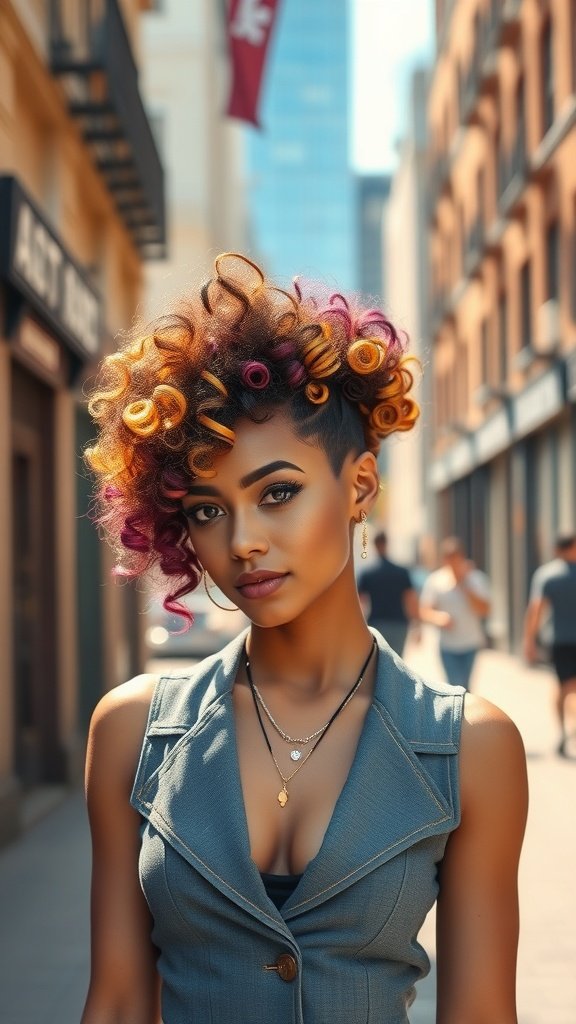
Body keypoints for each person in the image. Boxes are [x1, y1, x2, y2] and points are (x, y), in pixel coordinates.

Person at [81, 253, 527, 1024]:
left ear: (359, 487)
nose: (243, 541)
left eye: (277, 493)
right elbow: (119, 1003)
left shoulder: (469, 746)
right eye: (208, 510)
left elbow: (483, 1014)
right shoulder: (132, 730)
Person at [524, 533, 576, 756]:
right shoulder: (549, 576)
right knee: (566, 686)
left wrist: (529, 640)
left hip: (560, 640)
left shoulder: (546, 574)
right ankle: (565, 730)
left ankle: (564, 730)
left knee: (564, 686)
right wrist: (529, 640)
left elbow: (535, 610)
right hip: (561, 640)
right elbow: (537, 609)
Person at [419, 537, 491, 690]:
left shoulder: (475, 579)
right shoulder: (435, 580)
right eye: (449, 559)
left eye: (456, 559)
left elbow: (485, 609)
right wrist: (438, 618)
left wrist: (464, 585)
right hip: (447, 645)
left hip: (471, 642)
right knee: (455, 685)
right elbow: (424, 610)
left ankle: (465, 713)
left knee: (465, 686)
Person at [358, 531, 419, 656]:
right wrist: (417, 625)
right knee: (397, 662)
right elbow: (411, 599)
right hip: (399, 624)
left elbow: (360, 603)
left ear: (374, 545)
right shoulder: (402, 572)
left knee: (379, 662)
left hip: (377, 623)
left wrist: (359, 627)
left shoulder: (367, 573)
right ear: (387, 544)